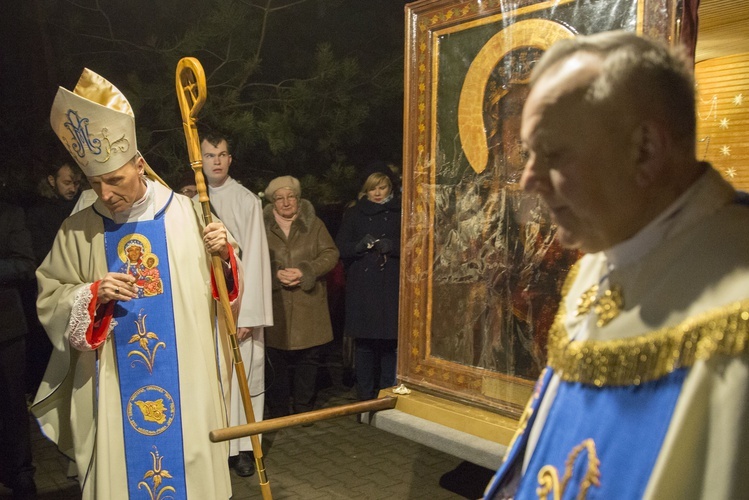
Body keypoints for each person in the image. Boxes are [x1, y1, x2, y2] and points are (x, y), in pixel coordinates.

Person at [484, 31, 749, 499]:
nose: (527, 180)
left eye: (553, 154)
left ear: (645, 149)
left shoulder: (735, 314)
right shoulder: (595, 263)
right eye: (528, 155)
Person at [32, 68, 239, 499]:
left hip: (186, 375)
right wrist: (91, 295)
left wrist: (224, 256)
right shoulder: (78, 230)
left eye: (115, 180)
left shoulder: (188, 213)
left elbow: (225, 294)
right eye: (95, 184)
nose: (105, 194)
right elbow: (51, 296)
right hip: (112, 380)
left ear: (139, 165)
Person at [200, 131, 273, 477]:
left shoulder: (246, 200)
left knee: (245, 378)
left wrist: (251, 314)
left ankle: (245, 447)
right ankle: (213, 445)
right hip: (205, 307)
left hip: (239, 305)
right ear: (199, 160)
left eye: (222, 154)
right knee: (212, 378)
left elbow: (256, 257)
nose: (216, 161)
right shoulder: (187, 202)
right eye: (210, 155)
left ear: (230, 159)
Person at [262, 175, 339, 417]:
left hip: (308, 302)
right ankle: (279, 409)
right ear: (273, 203)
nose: (286, 202)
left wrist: (307, 271)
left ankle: (304, 406)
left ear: (298, 199)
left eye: (290, 197)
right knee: (276, 358)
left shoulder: (314, 224)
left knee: (309, 358)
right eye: (279, 198)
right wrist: (274, 274)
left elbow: (330, 253)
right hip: (275, 304)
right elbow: (250, 257)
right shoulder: (260, 226)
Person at [335, 163, 401, 400]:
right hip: (363, 289)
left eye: (382, 187)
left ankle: (386, 395)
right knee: (364, 345)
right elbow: (341, 248)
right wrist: (358, 246)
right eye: (373, 188)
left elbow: (414, 245)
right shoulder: (355, 213)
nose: (377, 192)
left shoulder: (399, 212)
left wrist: (392, 246)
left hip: (389, 287)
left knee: (388, 344)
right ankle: (364, 396)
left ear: (389, 188)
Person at [0, 202, 37, 499]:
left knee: (12, 405)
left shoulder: (10, 212)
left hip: (6, 327)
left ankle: (21, 473)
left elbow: (25, 264)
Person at [26, 160, 82, 265]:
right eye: (67, 183)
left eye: (76, 183)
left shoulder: (84, 204)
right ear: (52, 180)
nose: (73, 189)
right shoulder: (38, 211)